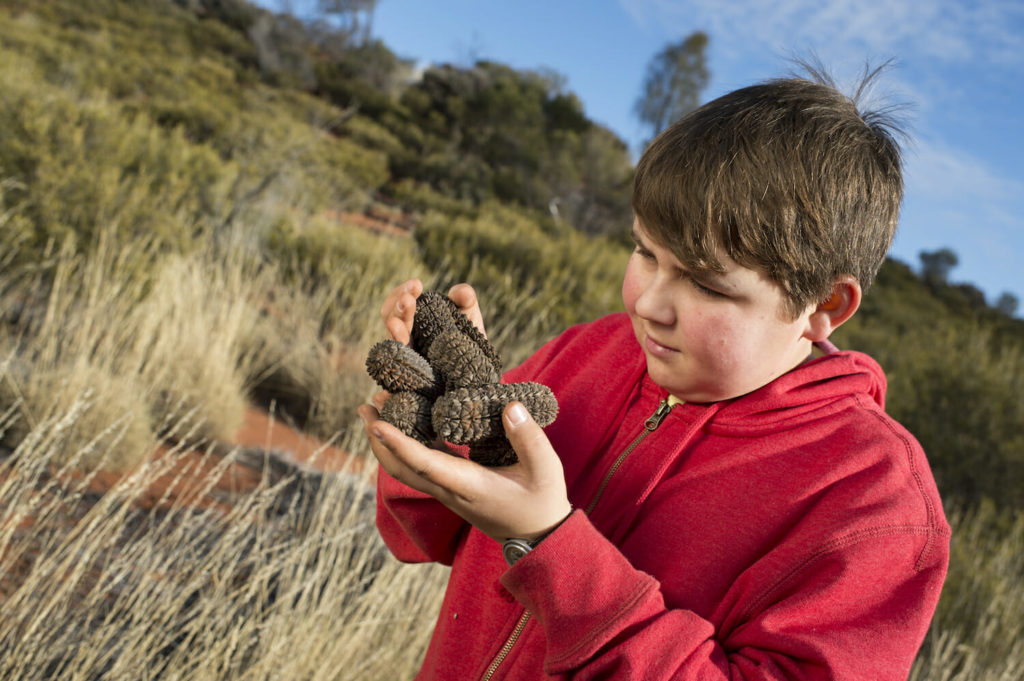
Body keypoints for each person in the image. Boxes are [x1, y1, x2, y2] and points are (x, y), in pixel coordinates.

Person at [358, 70, 950, 680]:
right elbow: (424, 538)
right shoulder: (591, 351)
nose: (647, 304)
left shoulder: (874, 505)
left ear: (824, 306)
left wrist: (548, 545)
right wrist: (438, 425)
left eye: (704, 283)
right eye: (645, 251)